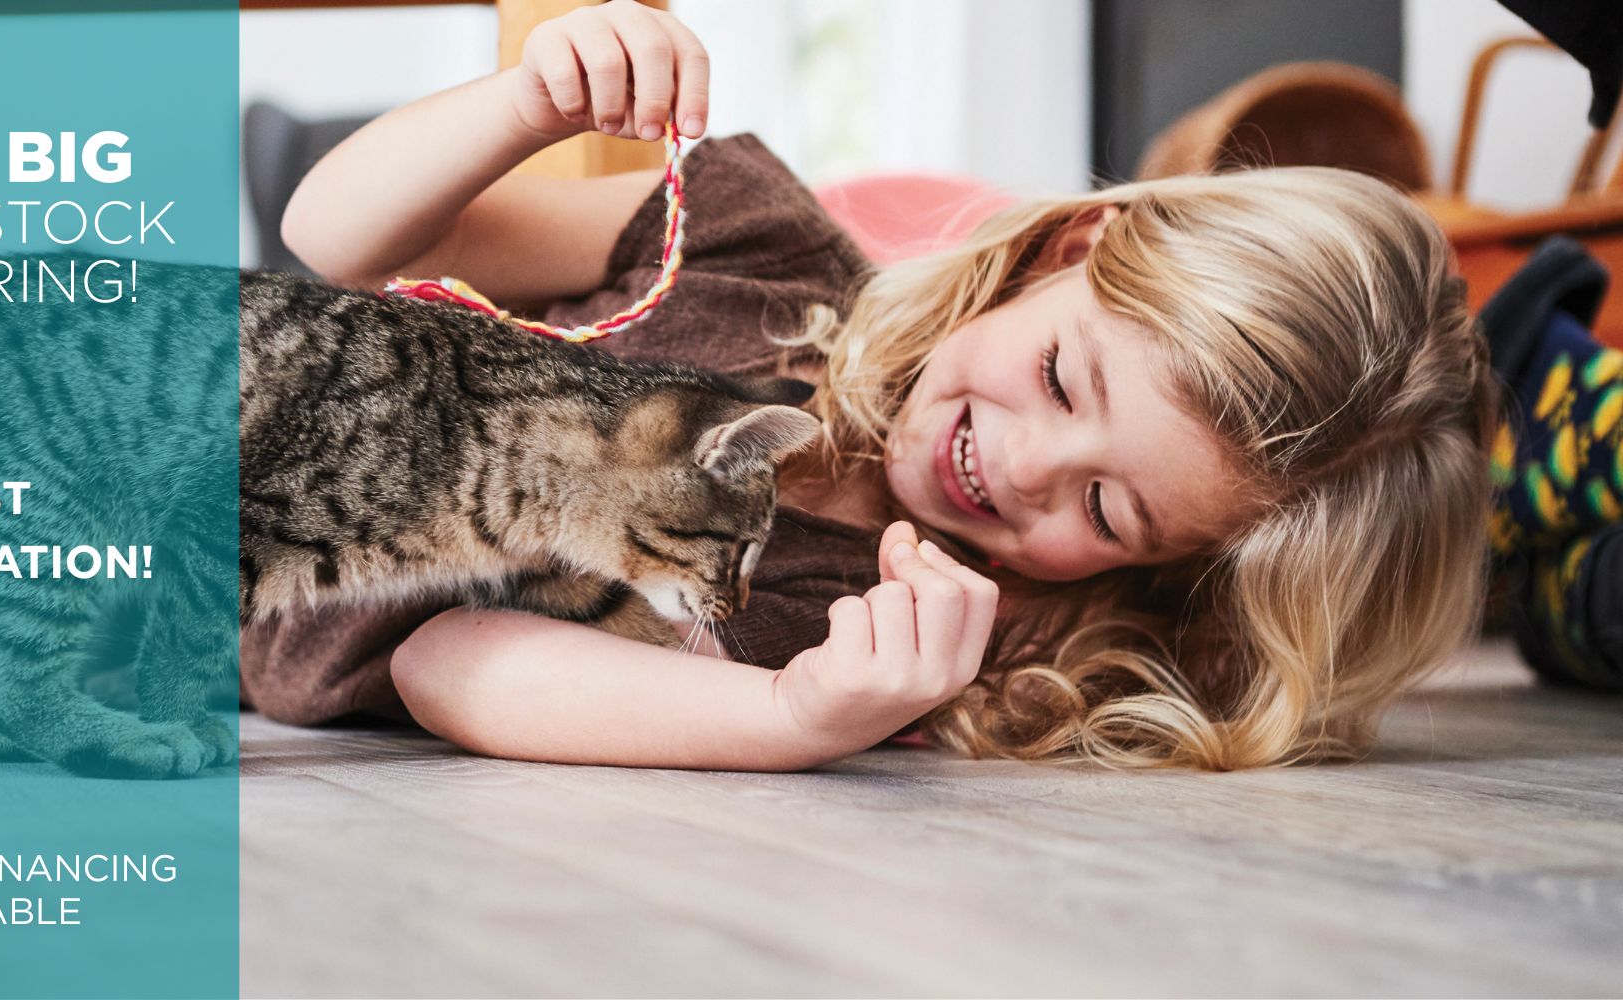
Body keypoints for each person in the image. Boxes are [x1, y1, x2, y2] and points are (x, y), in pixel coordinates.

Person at [252, 0, 1497, 770]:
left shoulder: (893, 639)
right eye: (1063, 378)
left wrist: (794, 720)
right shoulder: (753, 240)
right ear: (1074, 249)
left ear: (1160, 577)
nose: (1021, 465)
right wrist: (528, 102)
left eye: (1110, 512)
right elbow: (338, 238)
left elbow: (444, 661)